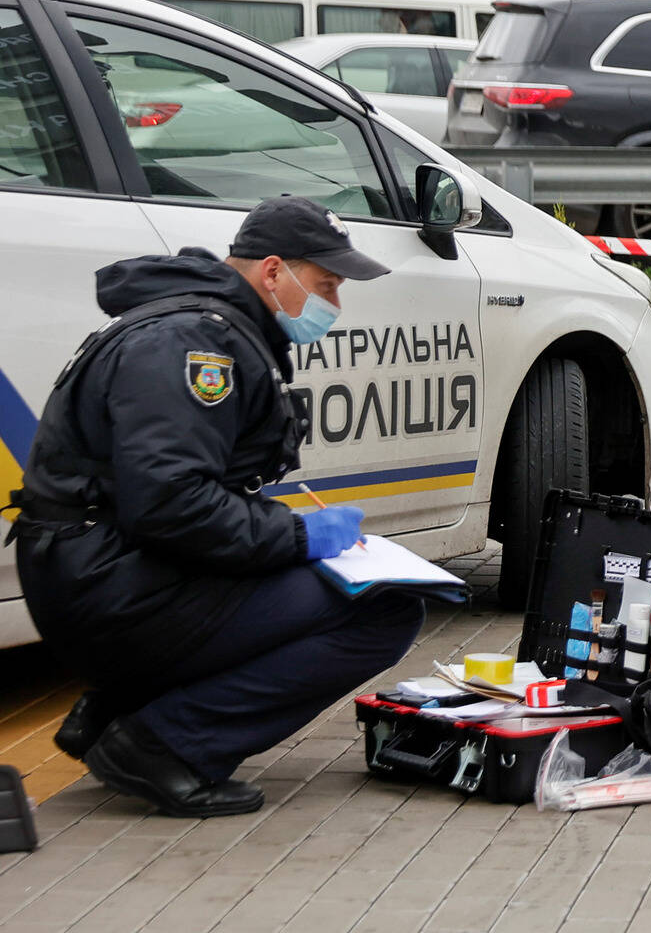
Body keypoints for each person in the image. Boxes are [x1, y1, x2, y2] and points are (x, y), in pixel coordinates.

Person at [8, 196, 426, 818]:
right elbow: (171, 503)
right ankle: (165, 745)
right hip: (104, 584)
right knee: (384, 609)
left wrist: (280, 531)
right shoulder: (191, 342)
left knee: (304, 578)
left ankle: (117, 713)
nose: (334, 306)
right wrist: (297, 536)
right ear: (274, 271)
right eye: (326, 285)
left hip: (101, 568)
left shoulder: (206, 325)